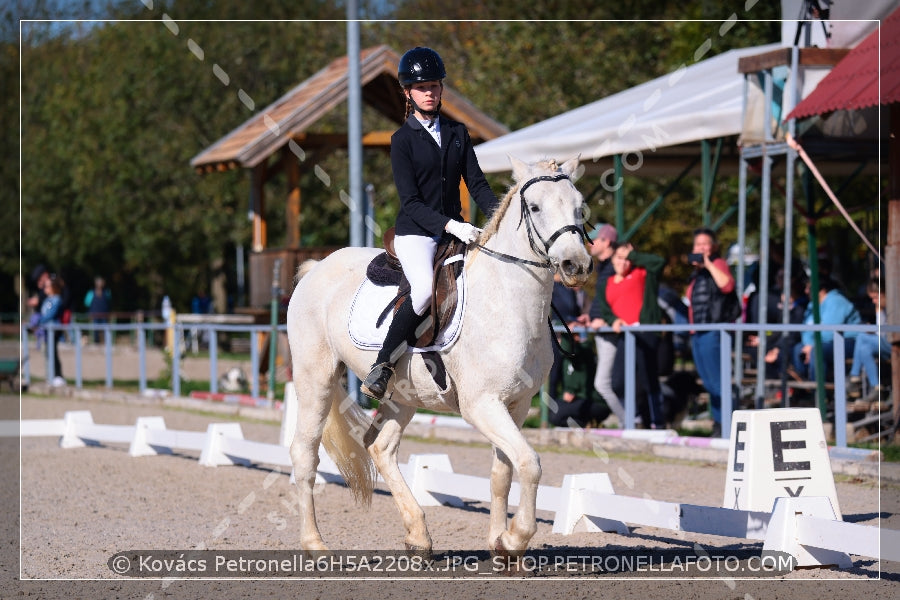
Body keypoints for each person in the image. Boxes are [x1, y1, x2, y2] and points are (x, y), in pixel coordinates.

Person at [360, 47, 499, 400]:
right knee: (423, 290)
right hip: (417, 234)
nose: (430, 92)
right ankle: (383, 364)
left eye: (435, 86)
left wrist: (501, 219)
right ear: (408, 92)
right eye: (422, 87)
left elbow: (478, 185)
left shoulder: (457, 132)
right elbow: (412, 203)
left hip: (456, 232)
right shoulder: (401, 141)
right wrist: (453, 226)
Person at [594, 242, 666, 428]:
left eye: (627, 259)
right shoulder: (607, 283)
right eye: (619, 258)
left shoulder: (642, 273)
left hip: (645, 332)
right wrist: (613, 320)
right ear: (612, 259)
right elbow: (606, 309)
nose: (624, 262)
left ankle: (656, 422)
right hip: (626, 335)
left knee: (647, 379)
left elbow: (659, 262)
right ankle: (633, 419)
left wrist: (632, 255)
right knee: (618, 381)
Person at [686, 227, 739, 436]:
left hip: (713, 331)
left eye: (704, 244)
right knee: (709, 383)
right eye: (697, 244)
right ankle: (719, 423)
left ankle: (730, 425)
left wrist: (708, 264)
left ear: (713, 247)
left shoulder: (718, 264)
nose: (700, 248)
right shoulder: (697, 273)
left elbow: (727, 286)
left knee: (719, 382)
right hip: (698, 332)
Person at [587, 224, 624, 425]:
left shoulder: (614, 267)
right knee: (610, 382)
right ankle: (628, 421)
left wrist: (605, 319)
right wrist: (590, 316)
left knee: (603, 383)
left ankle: (629, 422)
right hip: (602, 329)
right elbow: (603, 299)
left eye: (594, 239)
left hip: (611, 331)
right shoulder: (603, 267)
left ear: (607, 241)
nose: (589, 243)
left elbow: (619, 299)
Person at [791, 276, 861, 382]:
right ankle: (805, 387)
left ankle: (820, 392)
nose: (805, 291)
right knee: (798, 349)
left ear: (822, 290)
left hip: (848, 341)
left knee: (818, 351)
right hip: (822, 342)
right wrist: (809, 345)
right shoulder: (812, 306)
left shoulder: (836, 301)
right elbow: (806, 331)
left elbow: (829, 332)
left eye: (809, 288)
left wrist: (812, 345)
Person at [548, 333, 611, 428]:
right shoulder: (564, 359)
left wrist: (567, 333)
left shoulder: (584, 350)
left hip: (595, 402)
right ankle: (588, 424)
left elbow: (568, 349)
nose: (559, 341)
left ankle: (588, 423)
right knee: (553, 410)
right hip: (577, 400)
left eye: (561, 338)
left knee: (555, 415)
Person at [849, 277, 889, 401]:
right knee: (864, 349)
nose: (874, 301)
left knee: (861, 337)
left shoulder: (892, 306)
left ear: (883, 294)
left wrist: (873, 330)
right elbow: (881, 330)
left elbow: (885, 332)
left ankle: (854, 376)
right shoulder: (880, 307)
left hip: (892, 343)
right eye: (872, 298)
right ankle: (876, 387)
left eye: (876, 297)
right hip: (884, 341)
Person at [37, 274, 66, 386]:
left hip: (53, 330)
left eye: (48, 286)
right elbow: (44, 313)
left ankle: (58, 376)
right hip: (46, 330)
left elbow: (50, 314)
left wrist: (39, 321)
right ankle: (51, 375)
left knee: (53, 352)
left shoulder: (56, 300)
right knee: (48, 353)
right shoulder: (48, 300)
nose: (45, 288)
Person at [84, 276, 111, 344]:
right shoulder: (91, 293)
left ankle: (106, 343)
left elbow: (109, 302)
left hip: (104, 315)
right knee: (95, 330)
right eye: (98, 282)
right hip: (94, 315)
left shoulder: (107, 292)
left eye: (101, 282)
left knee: (105, 330)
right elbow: (87, 303)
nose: (100, 284)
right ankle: (96, 342)